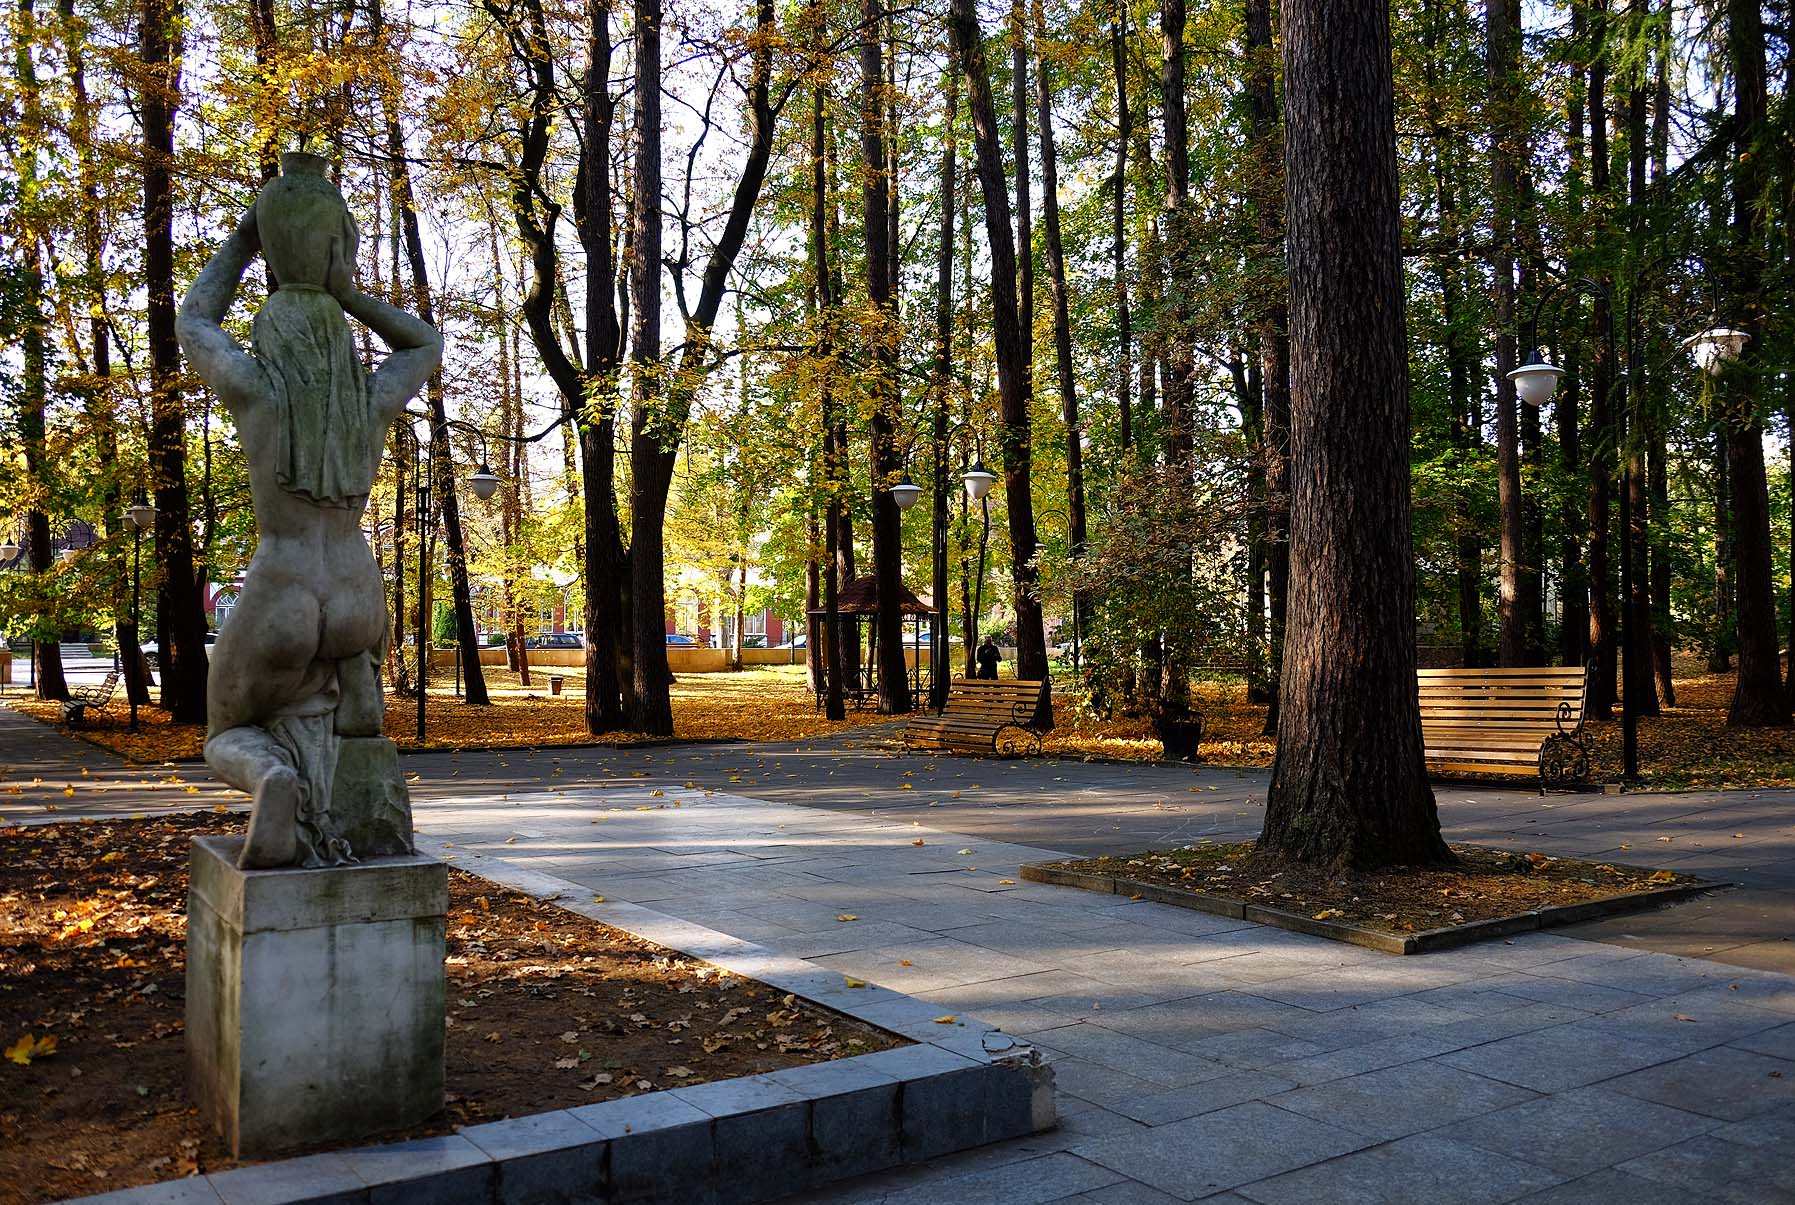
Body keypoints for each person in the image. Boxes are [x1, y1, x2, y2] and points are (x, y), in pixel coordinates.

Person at [178, 152, 442, 869]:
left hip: (283, 585)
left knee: (224, 731)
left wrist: (247, 238)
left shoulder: (255, 389)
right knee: (348, 716)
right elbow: (424, 340)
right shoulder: (371, 396)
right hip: (355, 589)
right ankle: (344, 753)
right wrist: (344, 292)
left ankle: (272, 775)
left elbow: (195, 317)